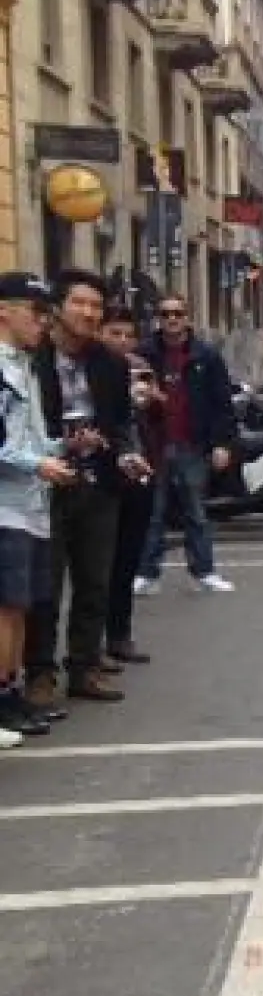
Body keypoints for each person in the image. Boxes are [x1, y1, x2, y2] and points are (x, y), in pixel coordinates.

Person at [25, 270, 148, 707]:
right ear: (58, 307)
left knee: (95, 581)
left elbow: (121, 425)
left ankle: (85, 667)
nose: (90, 313)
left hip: (98, 484)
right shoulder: (31, 357)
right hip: (44, 483)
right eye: (81, 304)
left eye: (96, 306)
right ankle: (40, 673)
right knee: (46, 586)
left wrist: (128, 454)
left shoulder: (111, 363)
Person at [0, 271, 66, 742]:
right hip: (5, 506)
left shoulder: (24, 365)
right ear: (5, 311)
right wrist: (38, 464)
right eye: (36, 313)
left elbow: (32, 437)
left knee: (21, 607)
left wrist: (65, 448)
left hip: (30, 504)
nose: (43, 324)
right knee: (6, 608)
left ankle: (13, 693)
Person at [134, 293, 235, 598]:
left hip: (192, 443)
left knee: (196, 512)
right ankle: (146, 573)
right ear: (158, 319)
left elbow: (222, 403)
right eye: (166, 314)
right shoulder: (145, 353)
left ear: (187, 317)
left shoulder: (207, 355)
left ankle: (204, 571)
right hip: (154, 444)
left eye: (178, 313)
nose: (172, 319)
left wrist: (222, 443)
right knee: (153, 512)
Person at [100, 308, 156, 667]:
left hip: (141, 471)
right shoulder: (92, 369)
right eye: (113, 333)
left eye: (127, 334)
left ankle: (119, 634)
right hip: (103, 474)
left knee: (126, 559)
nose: (121, 341)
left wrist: (150, 400)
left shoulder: (140, 367)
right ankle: (86, 649)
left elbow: (159, 416)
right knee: (95, 565)